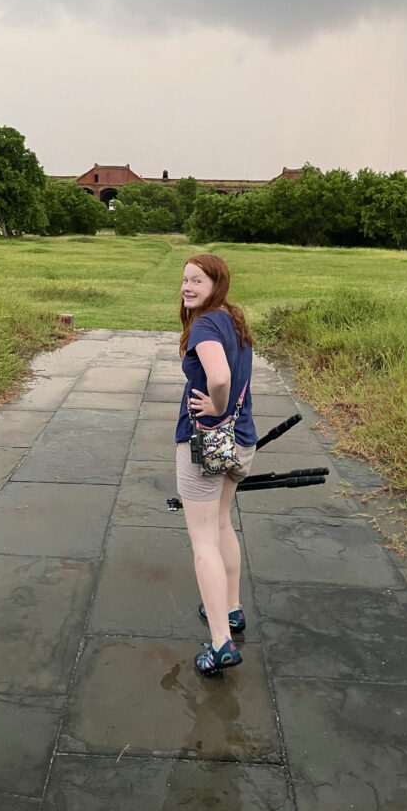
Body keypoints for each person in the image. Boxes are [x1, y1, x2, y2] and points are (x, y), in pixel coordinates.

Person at [175, 254, 257, 676]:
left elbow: (220, 378)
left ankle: (222, 643)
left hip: (207, 440)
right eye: (185, 280)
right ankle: (233, 608)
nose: (188, 287)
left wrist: (215, 407)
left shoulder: (205, 325)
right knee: (222, 523)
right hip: (241, 441)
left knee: (202, 540)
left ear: (217, 283)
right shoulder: (233, 320)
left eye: (198, 281)